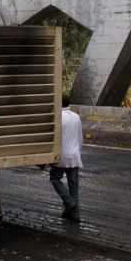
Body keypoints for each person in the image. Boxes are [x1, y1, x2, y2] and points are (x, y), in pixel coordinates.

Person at [50, 94, 83, 222]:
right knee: (74, 186)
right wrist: (78, 152)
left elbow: (54, 138)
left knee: (54, 179)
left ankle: (69, 202)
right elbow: (80, 138)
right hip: (75, 156)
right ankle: (75, 214)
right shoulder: (76, 117)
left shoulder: (57, 117)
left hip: (61, 156)